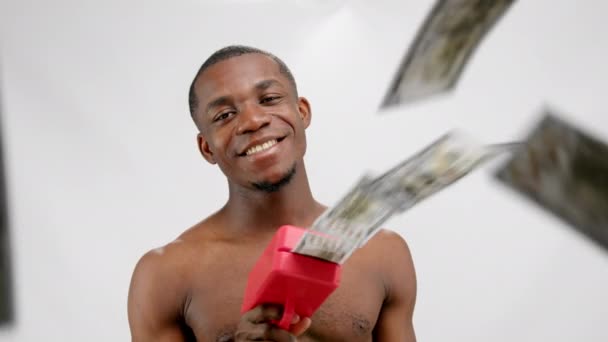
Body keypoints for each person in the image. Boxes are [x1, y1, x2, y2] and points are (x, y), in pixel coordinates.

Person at [127, 45, 417, 341]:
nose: (253, 121)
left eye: (269, 99)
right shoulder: (165, 274)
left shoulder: (383, 253)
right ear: (206, 147)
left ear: (302, 112)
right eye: (225, 115)